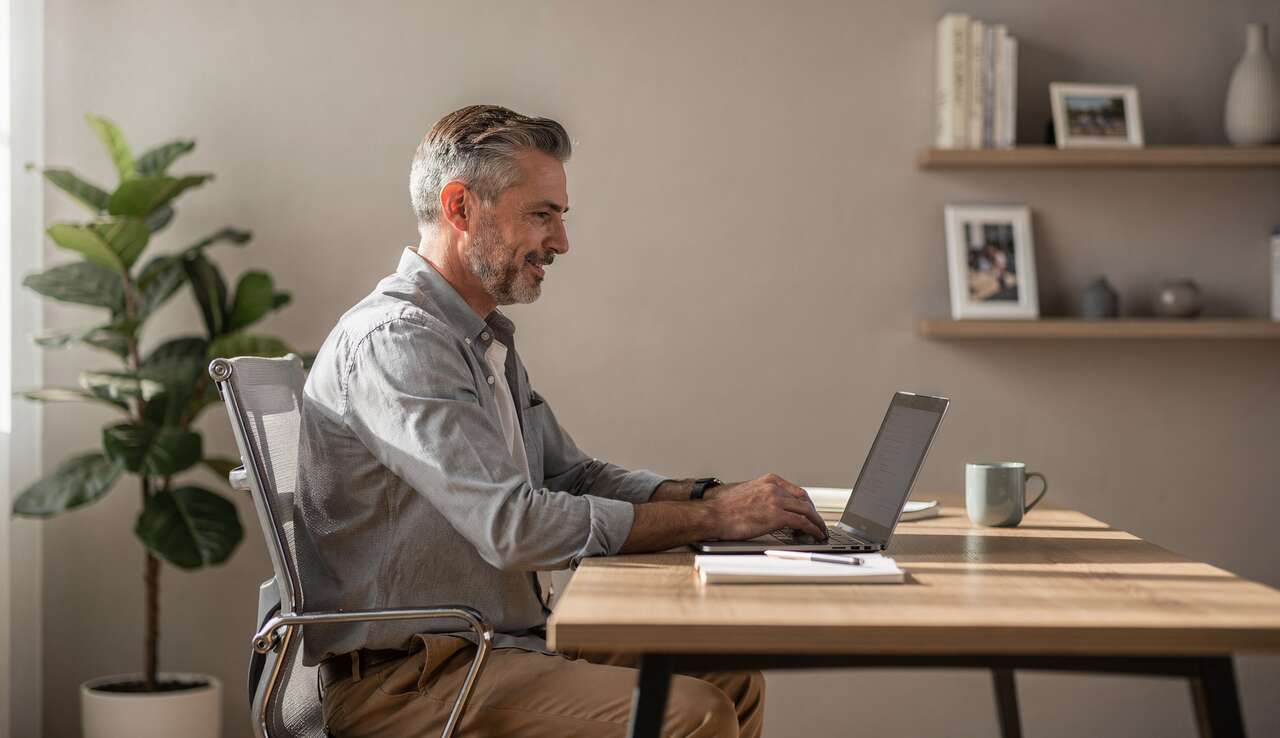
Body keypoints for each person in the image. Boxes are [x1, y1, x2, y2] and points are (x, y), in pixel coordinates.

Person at [295, 104, 829, 738]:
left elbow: (572, 476)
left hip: (490, 649)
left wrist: (708, 497)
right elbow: (513, 526)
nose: (560, 242)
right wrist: (713, 521)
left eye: (559, 216)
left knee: (730, 679)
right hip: (409, 680)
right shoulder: (399, 343)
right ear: (461, 207)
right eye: (541, 215)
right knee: (693, 716)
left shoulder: (477, 339)